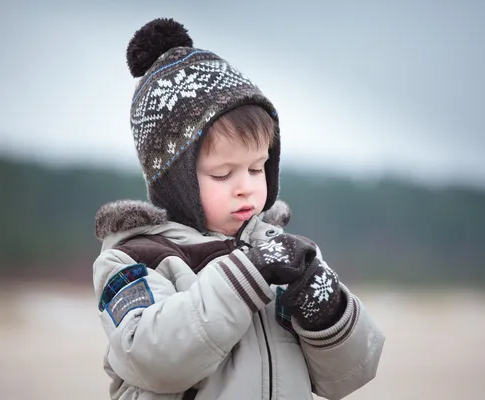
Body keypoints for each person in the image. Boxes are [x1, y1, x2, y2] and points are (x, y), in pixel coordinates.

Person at [93, 17, 384, 400]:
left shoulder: (278, 252)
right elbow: (151, 357)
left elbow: (350, 374)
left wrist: (325, 307)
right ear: (174, 181)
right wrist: (246, 276)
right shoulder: (135, 259)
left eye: (256, 167)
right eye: (223, 173)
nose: (245, 186)